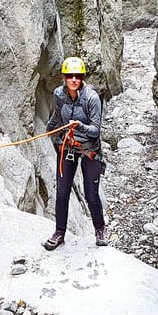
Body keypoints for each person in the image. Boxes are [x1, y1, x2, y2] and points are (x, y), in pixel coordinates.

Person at [43, 56, 107, 249]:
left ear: (82, 77)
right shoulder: (59, 94)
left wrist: (80, 126)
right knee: (62, 192)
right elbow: (57, 115)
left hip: (89, 150)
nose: (73, 79)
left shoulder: (91, 98)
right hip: (67, 146)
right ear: (64, 77)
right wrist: (50, 129)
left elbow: (96, 129)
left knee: (91, 194)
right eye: (69, 76)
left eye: (77, 76)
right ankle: (59, 233)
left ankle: (100, 229)